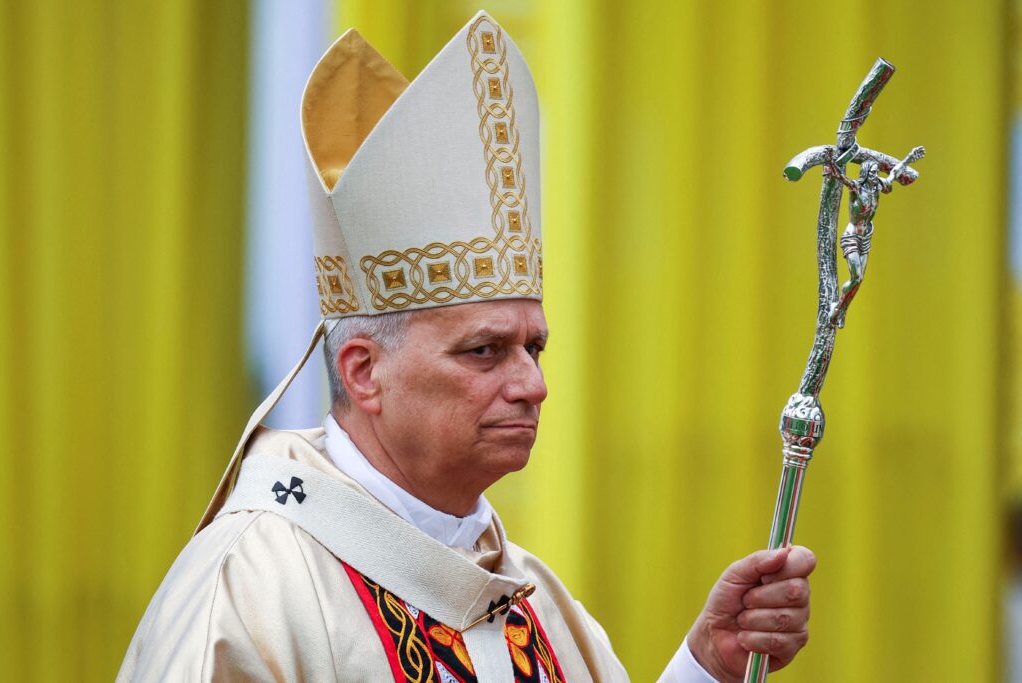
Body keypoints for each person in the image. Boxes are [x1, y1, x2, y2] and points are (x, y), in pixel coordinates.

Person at [118, 12, 814, 682]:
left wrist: (707, 667)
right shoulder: (251, 590)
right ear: (364, 371)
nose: (532, 385)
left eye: (534, 348)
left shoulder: (531, 597)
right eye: (484, 351)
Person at [826, 146, 925, 327]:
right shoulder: (856, 188)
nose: (874, 176)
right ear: (865, 173)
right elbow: (842, 178)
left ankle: (842, 310)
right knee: (856, 277)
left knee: (859, 280)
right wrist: (832, 165)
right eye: (871, 173)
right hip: (852, 236)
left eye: (875, 173)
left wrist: (910, 158)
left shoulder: (878, 187)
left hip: (866, 237)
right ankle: (838, 308)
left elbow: (894, 173)